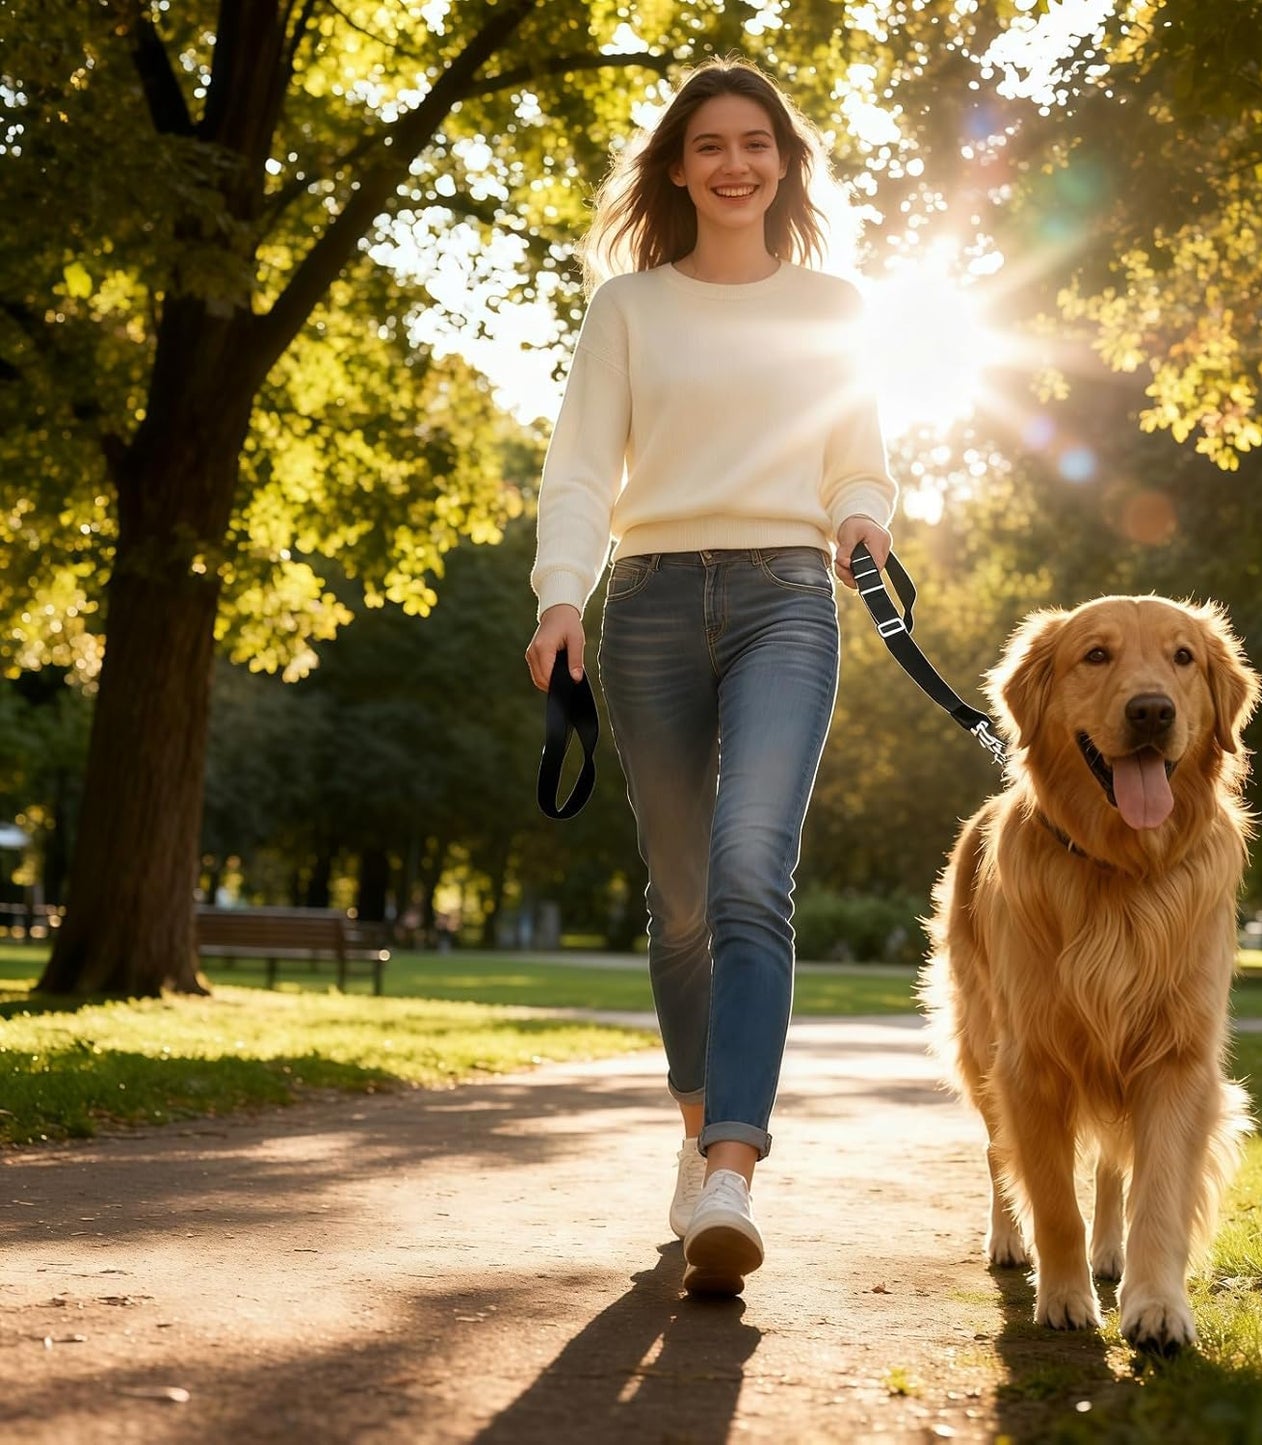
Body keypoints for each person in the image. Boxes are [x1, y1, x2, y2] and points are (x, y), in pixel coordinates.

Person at [524, 58, 896, 1297]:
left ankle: (732, 1169)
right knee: (680, 896)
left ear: (782, 162)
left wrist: (858, 520)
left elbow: (857, 458)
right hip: (649, 603)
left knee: (749, 869)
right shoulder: (627, 308)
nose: (734, 163)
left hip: (789, 596)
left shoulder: (834, 305)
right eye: (708, 145)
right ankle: (694, 1127)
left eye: (755, 143)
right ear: (676, 168)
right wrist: (561, 594)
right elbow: (580, 467)